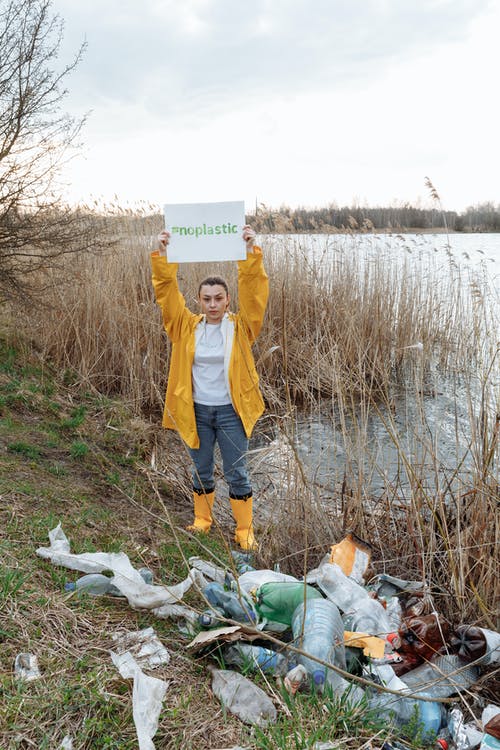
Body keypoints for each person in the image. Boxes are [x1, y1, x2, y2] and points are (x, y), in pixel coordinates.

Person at [151, 225, 269, 550]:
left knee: (237, 472)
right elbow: (165, 292)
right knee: (201, 469)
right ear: (199, 300)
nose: (213, 304)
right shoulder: (184, 327)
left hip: (232, 412)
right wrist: (162, 254)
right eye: (207, 299)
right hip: (198, 412)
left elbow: (255, 292)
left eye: (218, 298)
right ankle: (203, 520)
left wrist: (249, 253)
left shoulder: (242, 328)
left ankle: (244, 530)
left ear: (228, 299)